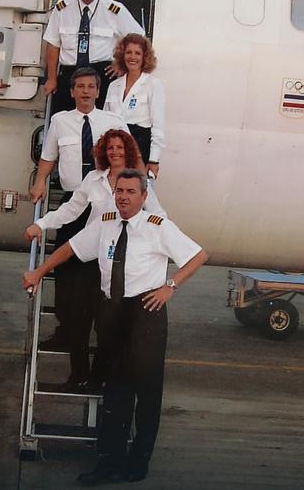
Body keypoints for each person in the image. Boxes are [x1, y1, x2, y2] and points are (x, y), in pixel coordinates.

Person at [23, 169, 208, 484]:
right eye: (119, 191)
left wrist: (169, 287)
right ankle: (109, 463)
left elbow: (198, 255)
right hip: (113, 312)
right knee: (115, 392)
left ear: (144, 196)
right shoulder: (106, 223)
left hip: (145, 312)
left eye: (131, 192)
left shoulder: (157, 227)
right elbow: (72, 248)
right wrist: (39, 272)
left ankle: (138, 463)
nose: (123, 197)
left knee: (147, 393)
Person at [25, 130, 166, 390]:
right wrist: (41, 224)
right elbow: (70, 210)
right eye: (110, 147)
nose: (115, 152)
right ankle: (78, 375)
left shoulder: (138, 181)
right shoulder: (93, 178)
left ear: (128, 151)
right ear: (103, 151)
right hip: (91, 256)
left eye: (120, 147)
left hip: (118, 263)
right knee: (77, 320)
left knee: (107, 325)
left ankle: (99, 379)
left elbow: (159, 216)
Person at [30, 67, 129, 359]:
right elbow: (48, 157)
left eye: (91, 87)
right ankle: (66, 331)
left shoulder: (113, 121)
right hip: (75, 201)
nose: (86, 91)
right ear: (72, 91)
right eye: (80, 86)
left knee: (100, 269)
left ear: (98, 92)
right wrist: (40, 182)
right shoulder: (60, 121)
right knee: (66, 270)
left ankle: (101, 332)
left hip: (103, 201)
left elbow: (128, 156)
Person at [43, 0, 144, 112]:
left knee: (102, 122)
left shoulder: (113, 10)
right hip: (69, 75)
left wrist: (121, 63)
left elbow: (139, 39)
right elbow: (53, 44)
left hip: (101, 75)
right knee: (64, 121)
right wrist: (52, 78)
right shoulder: (62, 7)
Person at [104, 33, 166, 178]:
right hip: (114, 149)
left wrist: (153, 160)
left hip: (140, 146)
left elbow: (158, 126)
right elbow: (105, 121)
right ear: (122, 55)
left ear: (145, 57)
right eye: (128, 52)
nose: (132, 57)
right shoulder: (113, 86)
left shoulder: (153, 85)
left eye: (137, 53)